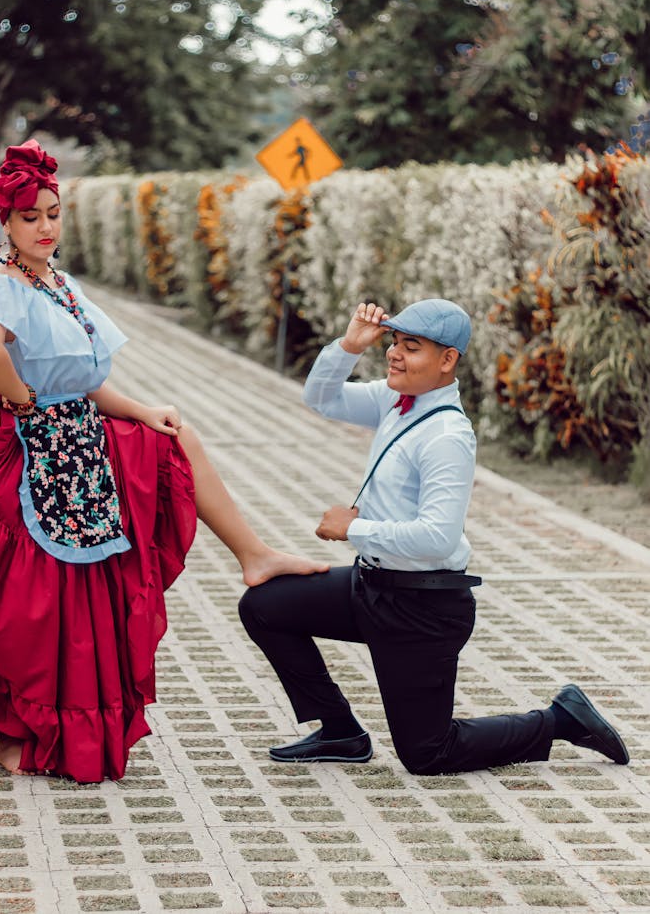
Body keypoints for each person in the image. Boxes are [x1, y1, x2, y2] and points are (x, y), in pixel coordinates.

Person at [0, 139, 327, 783]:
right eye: (30, 216)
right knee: (44, 595)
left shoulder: (58, 283)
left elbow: (84, 377)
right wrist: (24, 402)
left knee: (169, 443)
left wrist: (140, 409)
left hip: (75, 431)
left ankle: (254, 554)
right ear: (5, 222)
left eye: (53, 213)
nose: (45, 227)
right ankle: (28, 731)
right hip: (29, 445)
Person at [239, 299, 630, 773]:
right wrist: (348, 346)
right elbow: (321, 398)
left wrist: (353, 528)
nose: (394, 355)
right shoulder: (393, 399)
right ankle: (341, 731)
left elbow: (437, 538)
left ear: (447, 361)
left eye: (413, 347)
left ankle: (559, 719)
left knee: (427, 753)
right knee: (264, 605)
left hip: (422, 610)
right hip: (371, 588)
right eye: (395, 343)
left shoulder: (447, 435)